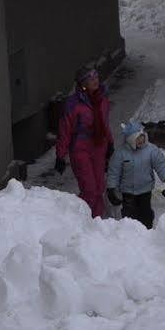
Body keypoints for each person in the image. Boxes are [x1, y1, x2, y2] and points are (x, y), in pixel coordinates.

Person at [54, 66, 112, 218]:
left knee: (99, 188)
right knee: (90, 190)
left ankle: (97, 223)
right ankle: (74, 220)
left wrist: (110, 143)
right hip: (80, 149)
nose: (95, 80)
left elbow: (105, 123)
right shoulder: (73, 104)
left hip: (99, 147)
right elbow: (64, 130)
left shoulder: (103, 99)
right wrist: (60, 155)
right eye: (90, 78)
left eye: (96, 77)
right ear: (82, 83)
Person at [105, 120, 165, 229]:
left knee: (145, 212)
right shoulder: (120, 153)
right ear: (130, 140)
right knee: (129, 215)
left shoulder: (151, 150)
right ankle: (129, 234)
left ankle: (147, 230)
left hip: (145, 190)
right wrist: (111, 189)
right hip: (128, 191)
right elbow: (114, 172)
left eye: (142, 136)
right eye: (137, 138)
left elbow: (161, 165)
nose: (141, 140)